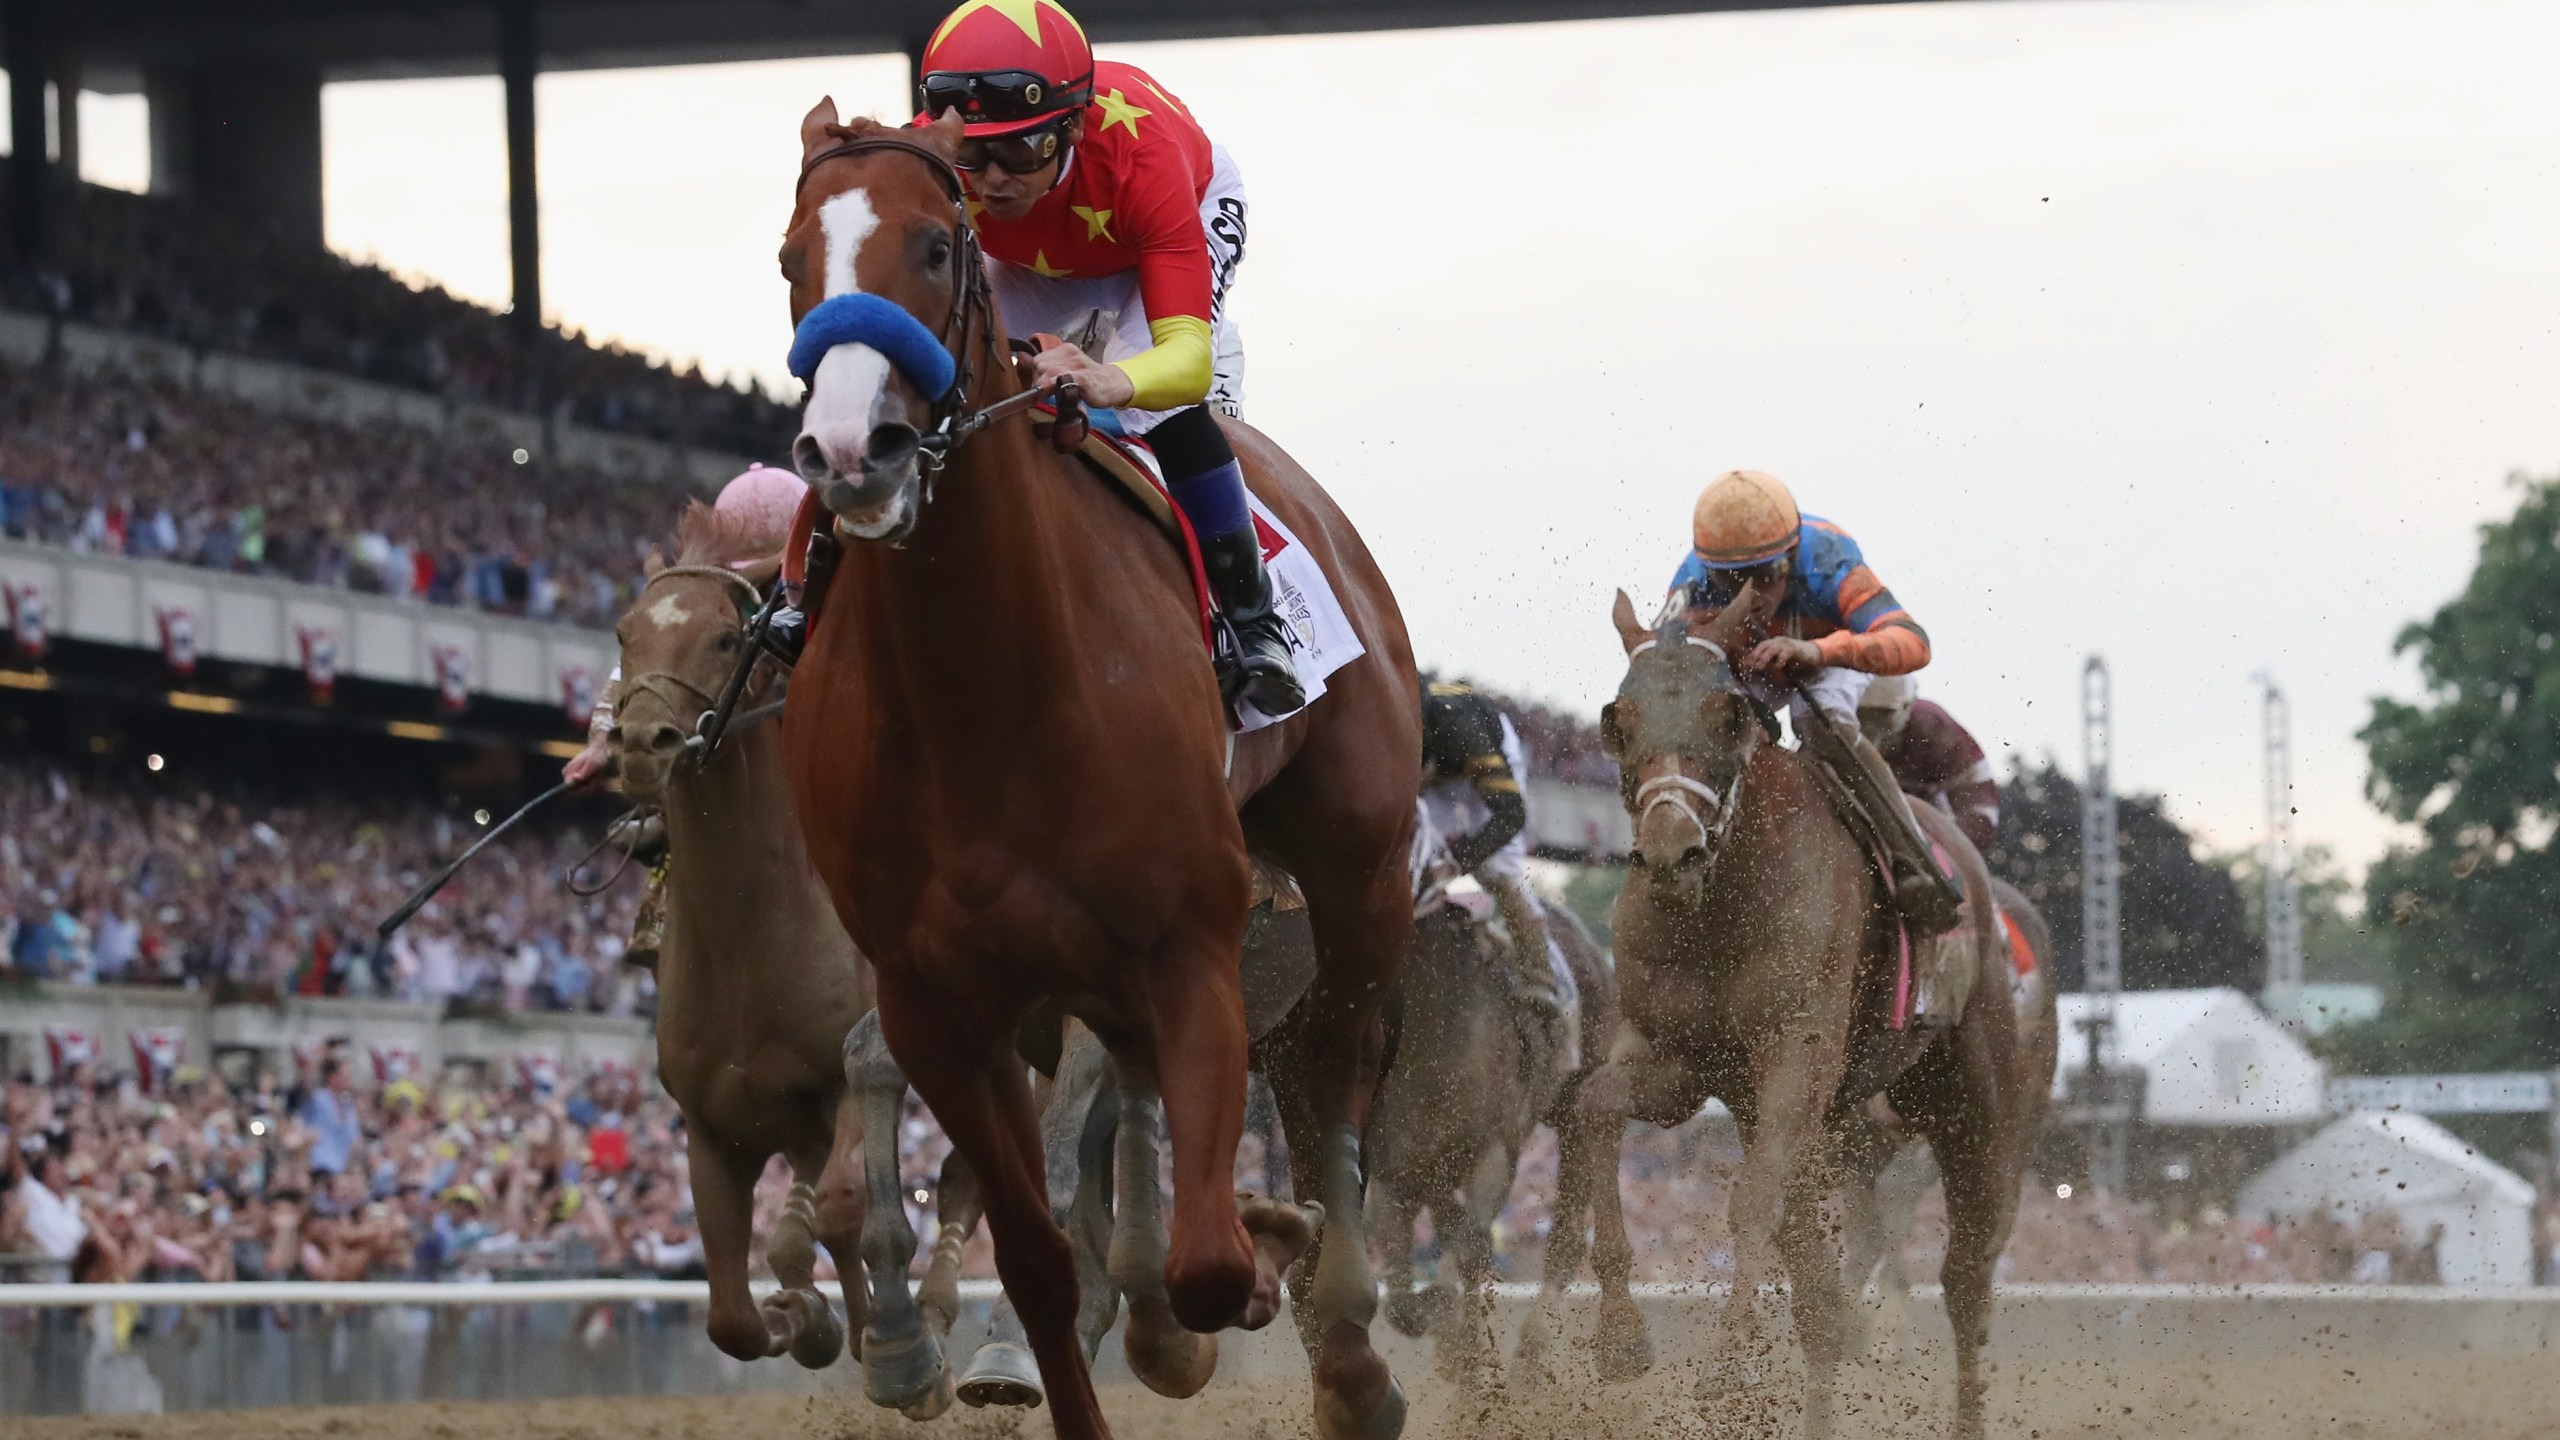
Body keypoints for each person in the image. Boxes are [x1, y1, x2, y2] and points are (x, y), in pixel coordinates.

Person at [914, 0, 1302, 716]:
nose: (993, 179)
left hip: (1152, 235)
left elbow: (1185, 360)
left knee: (1166, 409)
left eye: (1021, 151)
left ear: (1070, 126)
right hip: (1031, 254)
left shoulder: (1142, 161)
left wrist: (1112, 378)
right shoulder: (929, 154)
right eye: (972, 151)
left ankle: (1254, 620)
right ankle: (806, 586)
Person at [1668, 469, 1961, 932]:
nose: (1751, 597)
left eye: (1764, 578)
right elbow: (1666, 672)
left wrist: (1819, 651)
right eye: (1732, 584)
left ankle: (1915, 863)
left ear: (1790, 557)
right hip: (1749, 661)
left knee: (1817, 723)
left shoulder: (1828, 559)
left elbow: (1912, 641)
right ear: (1711, 573)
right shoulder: (1692, 581)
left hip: (1828, 654)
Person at [563, 464, 803, 968]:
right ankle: (664, 887)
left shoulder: (831, 585)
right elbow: (636, 672)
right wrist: (601, 744)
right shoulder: (712, 598)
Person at [1421, 679, 1578, 1066]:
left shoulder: (1470, 740)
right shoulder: (1395, 730)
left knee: (1499, 870)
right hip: (1440, 758)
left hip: (1490, 755)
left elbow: (1512, 815)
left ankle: (1545, 982)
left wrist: (1460, 861)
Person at [1858, 675, 2002, 856]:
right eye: (1863, 714)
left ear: (1907, 706)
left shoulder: (1938, 730)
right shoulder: (1835, 721)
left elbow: (1981, 810)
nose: (1872, 724)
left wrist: (1942, 846)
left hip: (1930, 824)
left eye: (1883, 715)